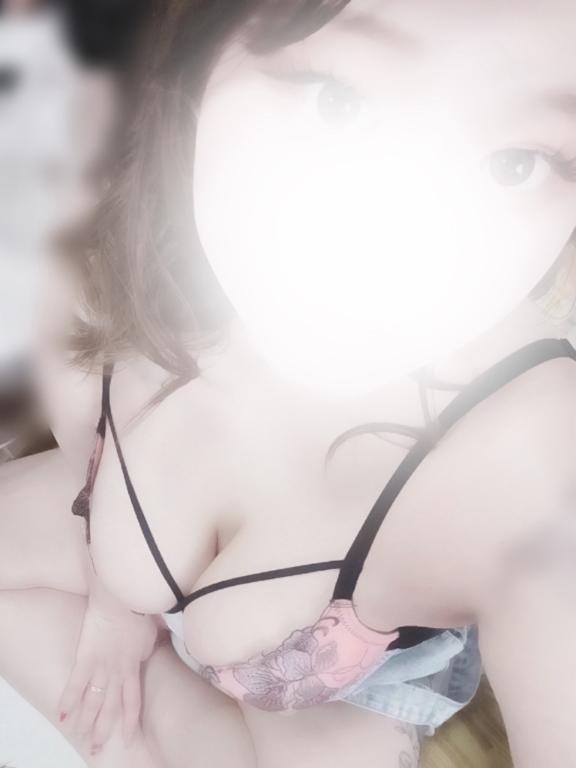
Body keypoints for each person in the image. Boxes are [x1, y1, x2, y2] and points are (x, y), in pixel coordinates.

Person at [2, 1, 576, 766]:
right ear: (197, 45)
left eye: (517, 164)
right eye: (338, 100)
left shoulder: (529, 461)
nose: (398, 228)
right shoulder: (95, 222)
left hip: (336, 699)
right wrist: (115, 610)